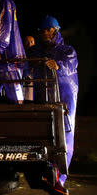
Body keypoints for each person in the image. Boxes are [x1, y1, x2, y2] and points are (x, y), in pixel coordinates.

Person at [27, 16, 78, 194]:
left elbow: (69, 65)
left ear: (55, 31)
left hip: (64, 99)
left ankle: (60, 179)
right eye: (42, 32)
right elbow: (27, 64)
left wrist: (57, 65)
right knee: (46, 135)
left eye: (47, 31)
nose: (44, 34)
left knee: (64, 135)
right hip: (44, 99)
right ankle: (49, 175)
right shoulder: (38, 51)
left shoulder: (67, 50)